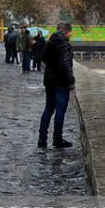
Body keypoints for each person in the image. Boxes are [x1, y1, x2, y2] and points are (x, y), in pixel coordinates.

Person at [38, 21, 75, 149]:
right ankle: (57, 139)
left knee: (48, 109)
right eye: (71, 32)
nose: (71, 35)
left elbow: (42, 58)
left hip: (49, 80)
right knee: (60, 111)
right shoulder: (64, 44)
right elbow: (66, 64)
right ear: (67, 31)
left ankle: (42, 140)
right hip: (61, 81)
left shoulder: (50, 42)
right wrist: (71, 81)